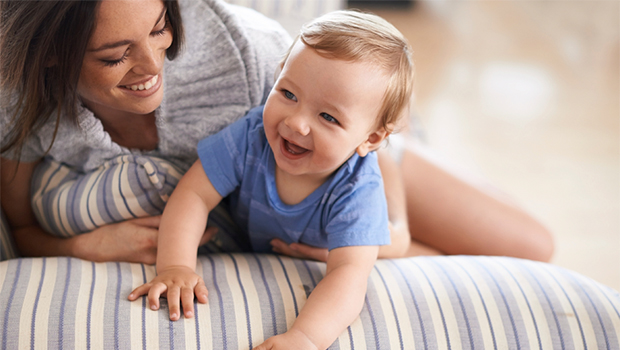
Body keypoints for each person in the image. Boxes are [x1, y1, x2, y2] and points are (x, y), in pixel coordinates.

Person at [0, 0, 554, 267]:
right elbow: (21, 228)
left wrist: (397, 229)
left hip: (349, 146)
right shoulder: (17, 99)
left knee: (532, 247)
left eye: (160, 29)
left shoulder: (247, 53)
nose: (153, 64)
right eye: (117, 56)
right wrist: (82, 246)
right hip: (284, 196)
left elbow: (355, 125)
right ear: (50, 58)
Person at [128, 10, 410, 350]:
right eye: (288, 94)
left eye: (328, 117)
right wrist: (175, 265)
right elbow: (194, 194)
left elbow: (348, 275)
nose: (296, 123)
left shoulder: (357, 189)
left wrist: (305, 337)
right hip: (283, 237)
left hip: (341, 240)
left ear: (371, 139)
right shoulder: (252, 135)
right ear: (277, 77)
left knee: (400, 247)